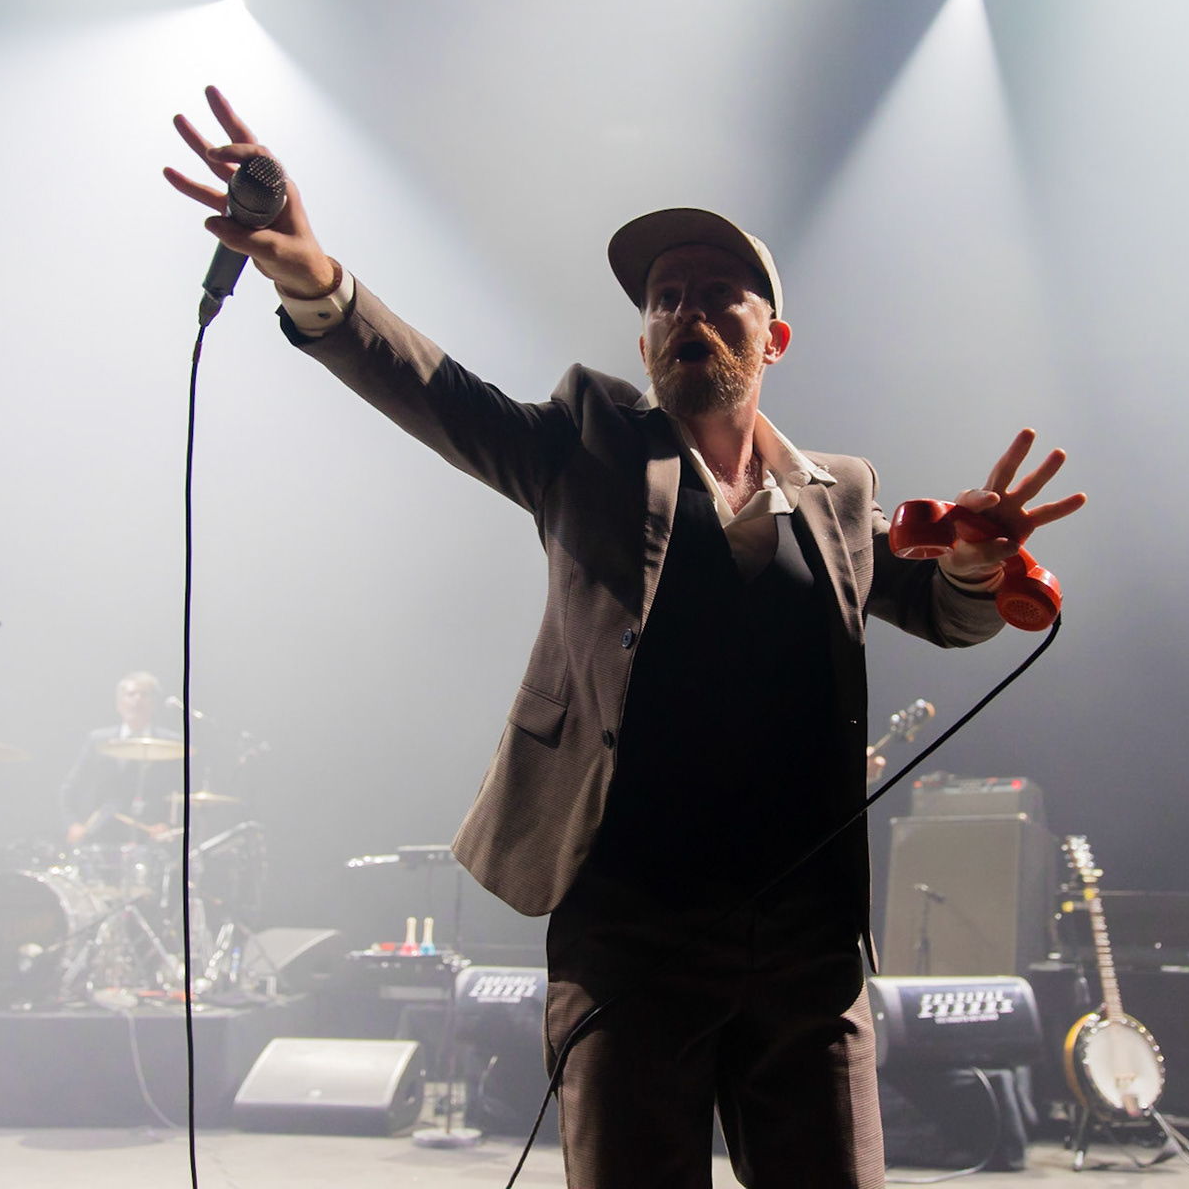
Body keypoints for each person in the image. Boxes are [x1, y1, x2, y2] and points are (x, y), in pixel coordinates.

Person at [163, 86, 1084, 1188]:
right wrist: (314, 277)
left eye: (716, 295)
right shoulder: (587, 444)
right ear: (644, 336)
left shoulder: (837, 492)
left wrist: (980, 566)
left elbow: (948, 611)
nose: (685, 311)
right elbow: (442, 394)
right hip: (634, 930)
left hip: (807, 944)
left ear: (773, 336)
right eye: (665, 297)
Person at [61, 670, 180, 846]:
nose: (137, 700)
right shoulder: (98, 740)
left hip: (152, 837)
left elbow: (181, 794)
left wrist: (169, 825)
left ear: (154, 705)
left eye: (144, 695)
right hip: (103, 834)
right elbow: (70, 788)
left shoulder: (172, 743)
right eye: (131, 694)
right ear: (119, 704)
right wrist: (72, 824)